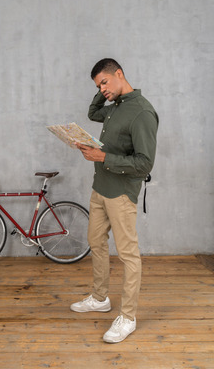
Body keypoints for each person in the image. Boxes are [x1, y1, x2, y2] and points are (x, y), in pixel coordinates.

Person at [70, 58, 158, 343]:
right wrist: (106, 91)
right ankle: (99, 298)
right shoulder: (115, 106)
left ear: (120, 74)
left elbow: (144, 164)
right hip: (100, 187)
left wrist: (103, 157)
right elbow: (93, 111)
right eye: (98, 86)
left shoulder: (142, 113)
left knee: (128, 255)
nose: (102, 90)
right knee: (95, 241)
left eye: (105, 82)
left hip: (121, 193)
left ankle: (128, 317)